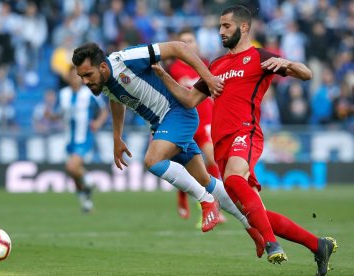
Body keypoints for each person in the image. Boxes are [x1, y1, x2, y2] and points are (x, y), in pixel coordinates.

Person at [152, 5, 338, 275]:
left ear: (243, 27)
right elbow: (190, 99)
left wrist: (288, 64)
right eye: (219, 26)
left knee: (235, 181)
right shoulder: (216, 65)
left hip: (246, 132)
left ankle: (272, 244)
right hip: (221, 143)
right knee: (254, 211)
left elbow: (307, 74)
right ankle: (318, 245)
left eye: (226, 26)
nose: (221, 31)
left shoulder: (259, 57)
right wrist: (163, 75)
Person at [72, 41, 266, 258]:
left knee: (152, 161)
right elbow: (116, 101)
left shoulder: (125, 60)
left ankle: (205, 200)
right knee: (205, 180)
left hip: (178, 113)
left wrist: (208, 78)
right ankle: (253, 228)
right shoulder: (103, 82)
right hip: (162, 125)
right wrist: (117, 138)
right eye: (81, 77)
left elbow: (178, 47)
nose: (85, 81)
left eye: (88, 74)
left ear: (103, 67)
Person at [167, 27, 226, 223]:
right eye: (183, 41)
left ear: (197, 44)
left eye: (190, 40)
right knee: (184, 164)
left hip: (206, 120)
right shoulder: (175, 68)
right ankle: (182, 195)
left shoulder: (206, 65)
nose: (188, 44)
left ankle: (215, 204)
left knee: (211, 160)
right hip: (185, 122)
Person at [58, 66, 109, 213]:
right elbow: (58, 113)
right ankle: (86, 203)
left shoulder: (90, 93)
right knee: (74, 175)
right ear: (67, 77)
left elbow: (104, 110)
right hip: (68, 139)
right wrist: (50, 116)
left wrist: (98, 122)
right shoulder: (63, 94)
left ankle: (89, 181)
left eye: (77, 75)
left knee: (72, 167)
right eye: (71, 75)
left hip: (84, 138)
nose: (74, 78)